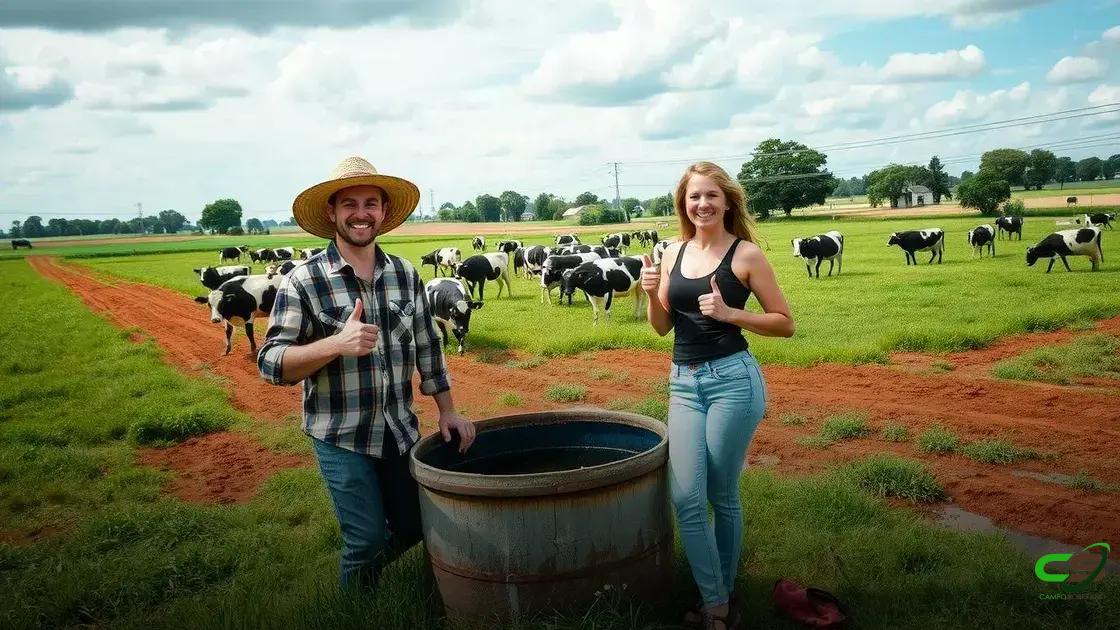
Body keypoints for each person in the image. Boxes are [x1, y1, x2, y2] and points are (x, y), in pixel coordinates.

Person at [257, 156, 476, 590]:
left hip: (399, 430)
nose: (362, 213)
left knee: (416, 525)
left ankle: (368, 577)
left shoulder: (405, 274)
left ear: (383, 213)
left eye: (371, 203)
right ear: (332, 213)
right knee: (367, 540)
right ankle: (355, 603)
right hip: (341, 435)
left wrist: (447, 410)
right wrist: (335, 344)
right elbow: (270, 362)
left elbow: (428, 345)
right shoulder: (304, 281)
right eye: (350, 204)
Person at [640, 161, 794, 629]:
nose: (702, 204)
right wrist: (650, 294)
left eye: (710, 195)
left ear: (727, 201)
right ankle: (718, 599)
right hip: (683, 384)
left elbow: (784, 323)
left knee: (721, 494)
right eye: (693, 197)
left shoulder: (746, 255)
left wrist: (731, 314)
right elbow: (663, 325)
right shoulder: (672, 254)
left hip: (733, 381)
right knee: (686, 497)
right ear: (683, 205)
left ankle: (718, 605)